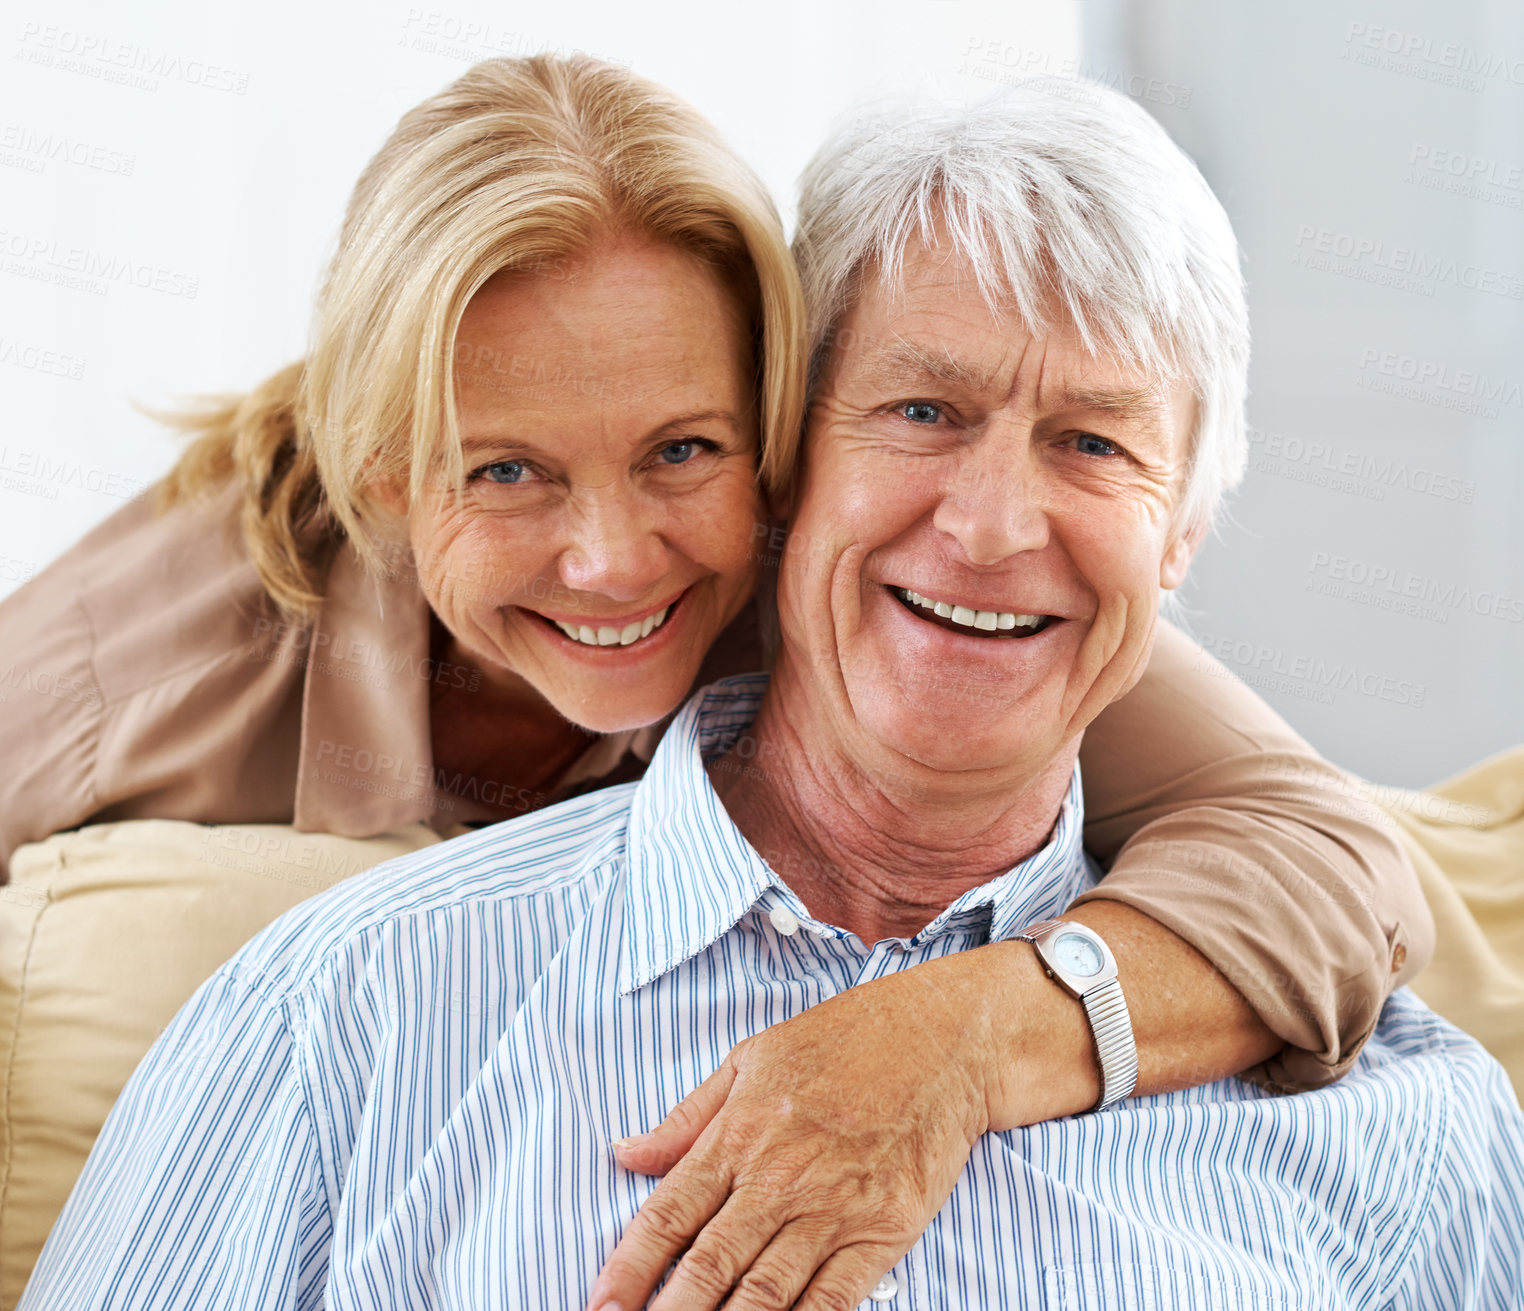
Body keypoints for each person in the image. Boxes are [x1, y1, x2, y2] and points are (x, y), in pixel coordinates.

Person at [23, 77, 1517, 1311]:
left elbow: (1326, 854)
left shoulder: (1409, 1130)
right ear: (393, 486)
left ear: (766, 450)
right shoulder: (317, 993)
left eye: (683, 450)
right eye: (923, 410)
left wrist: (956, 1039)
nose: (616, 562)